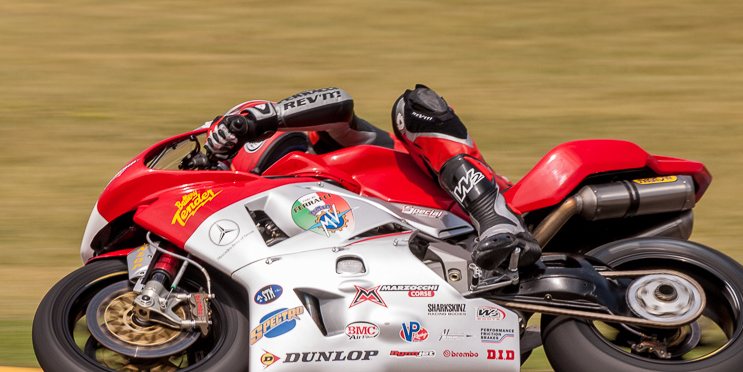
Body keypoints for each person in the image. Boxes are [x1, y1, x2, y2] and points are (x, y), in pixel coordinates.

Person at [205, 85, 541, 271]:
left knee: (412, 107)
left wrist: (257, 119)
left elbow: (339, 104)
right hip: (444, 263)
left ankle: (496, 218)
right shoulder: (283, 224)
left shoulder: (332, 148)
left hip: (473, 211)